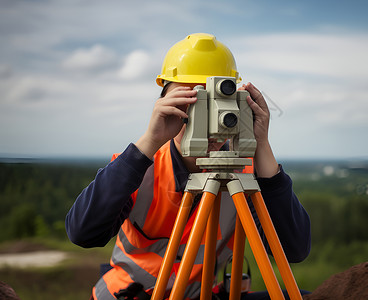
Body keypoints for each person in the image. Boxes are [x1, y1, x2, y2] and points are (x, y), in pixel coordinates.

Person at [66, 33, 311, 300]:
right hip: (131, 295)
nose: (207, 121)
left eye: (216, 105)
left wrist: (261, 144)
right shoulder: (140, 168)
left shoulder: (244, 172)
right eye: (193, 104)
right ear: (168, 106)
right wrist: (150, 140)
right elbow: (82, 233)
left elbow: (293, 250)